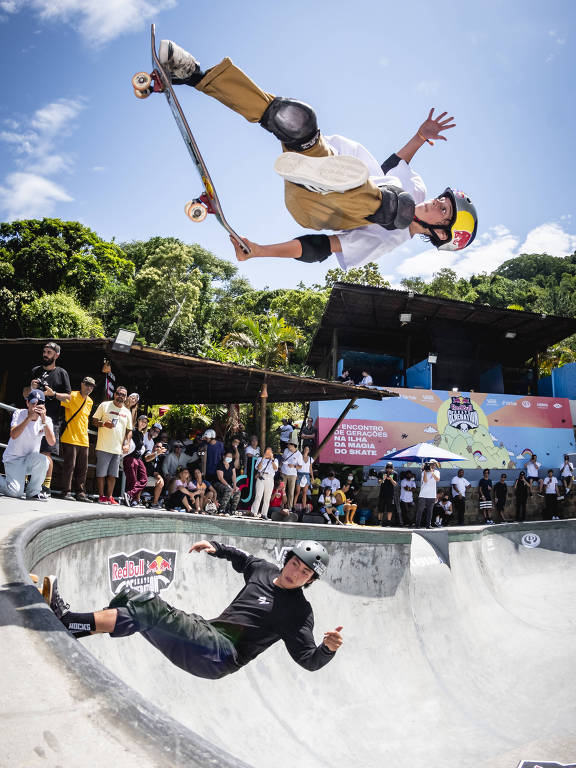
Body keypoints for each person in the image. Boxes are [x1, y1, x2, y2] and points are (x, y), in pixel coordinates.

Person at [157, 40, 478, 272]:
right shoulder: (416, 187)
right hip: (319, 164)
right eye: (442, 199)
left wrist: (258, 251)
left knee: (399, 208)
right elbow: (394, 163)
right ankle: (195, 75)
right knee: (295, 119)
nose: (437, 202)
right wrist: (420, 136)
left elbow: (321, 248)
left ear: (440, 234)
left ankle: (334, 184)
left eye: (443, 210)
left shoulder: (387, 242)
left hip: (315, 208)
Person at [42, 540, 343, 679]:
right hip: (206, 633)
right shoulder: (264, 570)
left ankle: (67, 621)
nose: (295, 574)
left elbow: (308, 660)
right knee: (130, 599)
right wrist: (216, 547)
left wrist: (327, 649)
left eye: (305, 573)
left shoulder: (299, 613)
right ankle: (73, 629)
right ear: (287, 558)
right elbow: (244, 559)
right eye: (294, 564)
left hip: (222, 654)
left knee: (149, 607)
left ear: (311, 580)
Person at [29, 341, 71, 495]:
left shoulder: (61, 373)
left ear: (56, 355)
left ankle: (45, 487)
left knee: (46, 454)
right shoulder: (35, 370)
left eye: (49, 352)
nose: (45, 354)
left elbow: (68, 398)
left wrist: (53, 394)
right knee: (31, 450)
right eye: (44, 351)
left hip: (51, 419)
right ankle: (30, 484)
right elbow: (24, 393)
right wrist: (31, 388)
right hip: (32, 417)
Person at [0, 389, 55, 501]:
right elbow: (14, 435)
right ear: (27, 403)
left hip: (30, 460)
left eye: (39, 403)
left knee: (45, 460)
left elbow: (52, 442)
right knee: (15, 493)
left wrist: (43, 420)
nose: (36, 406)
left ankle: (34, 492)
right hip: (14, 459)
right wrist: (28, 418)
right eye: (33, 403)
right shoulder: (19, 413)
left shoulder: (46, 420)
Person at [91, 385, 133, 505]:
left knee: (113, 475)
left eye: (123, 395)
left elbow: (129, 430)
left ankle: (109, 497)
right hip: (103, 446)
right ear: (114, 394)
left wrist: (127, 443)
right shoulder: (105, 405)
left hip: (117, 449)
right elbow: (94, 421)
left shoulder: (127, 412)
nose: (120, 396)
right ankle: (101, 496)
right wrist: (104, 424)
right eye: (119, 394)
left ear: (125, 398)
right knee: (101, 473)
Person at [59, 376, 95, 503]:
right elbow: (58, 398)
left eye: (91, 386)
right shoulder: (72, 395)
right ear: (81, 384)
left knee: (83, 468)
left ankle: (80, 492)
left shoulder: (90, 401)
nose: (89, 387)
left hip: (84, 439)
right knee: (70, 466)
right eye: (87, 384)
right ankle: (66, 491)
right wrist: (51, 393)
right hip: (70, 436)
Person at [122, 415, 150, 507]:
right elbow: (127, 441)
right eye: (142, 421)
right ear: (138, 421)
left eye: (145, 422)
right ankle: (133, 501)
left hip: (138, 459)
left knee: (144, 479)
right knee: (132, 480)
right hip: (130, 457)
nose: (143, 423)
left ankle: (129, 494)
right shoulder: (132, 430)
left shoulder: (142, 434)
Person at [250, 447, 279, 519]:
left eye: (270, 452)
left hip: (270, 478)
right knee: (258, 495)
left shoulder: (275, 460)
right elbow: (258, 468)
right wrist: (263, 458)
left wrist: (272, 459)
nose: (268, 453)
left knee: (267, 497)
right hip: (261, 476)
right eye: (267, 451)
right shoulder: (260, 459)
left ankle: (264, 513)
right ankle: (254, 512)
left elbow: (275, 469)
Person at [214, 450, 241, 515]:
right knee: (228, 490)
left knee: (237, 491)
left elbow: (234, 475)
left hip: (229, 484)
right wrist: (229, 487)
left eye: (231, 457)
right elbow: (221, 478)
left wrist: (234, 486)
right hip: (218, 483)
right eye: (228, 456)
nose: (229, 458)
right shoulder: (220, 464)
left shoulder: (231, 464)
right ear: (224, 457)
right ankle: (222, 509)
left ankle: (233, 510)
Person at [415, 461, 440, 528]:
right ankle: (417, 525)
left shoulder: (436, 472)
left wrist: (432, 472)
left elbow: (437, 479)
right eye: (431, 465)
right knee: (420, 510)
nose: (432, 466)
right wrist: (426, 471)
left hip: (432, 494)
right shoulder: (424, 472)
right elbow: (425, 481)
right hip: (423, 494)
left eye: (434, 465)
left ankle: (428, 525)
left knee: (430, 511)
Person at [280, 442, 302, 510]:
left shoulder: (299, 455)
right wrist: (280, 466)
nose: (288, 446)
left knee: (291, 492)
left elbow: (300, 466)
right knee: (282, 490)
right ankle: (281, 506)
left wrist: (294, 466)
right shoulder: (286, 450)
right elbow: (283, 458)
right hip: (283, 473)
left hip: (292, 475)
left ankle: (289, 507)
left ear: (293, 445)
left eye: (289, 445)